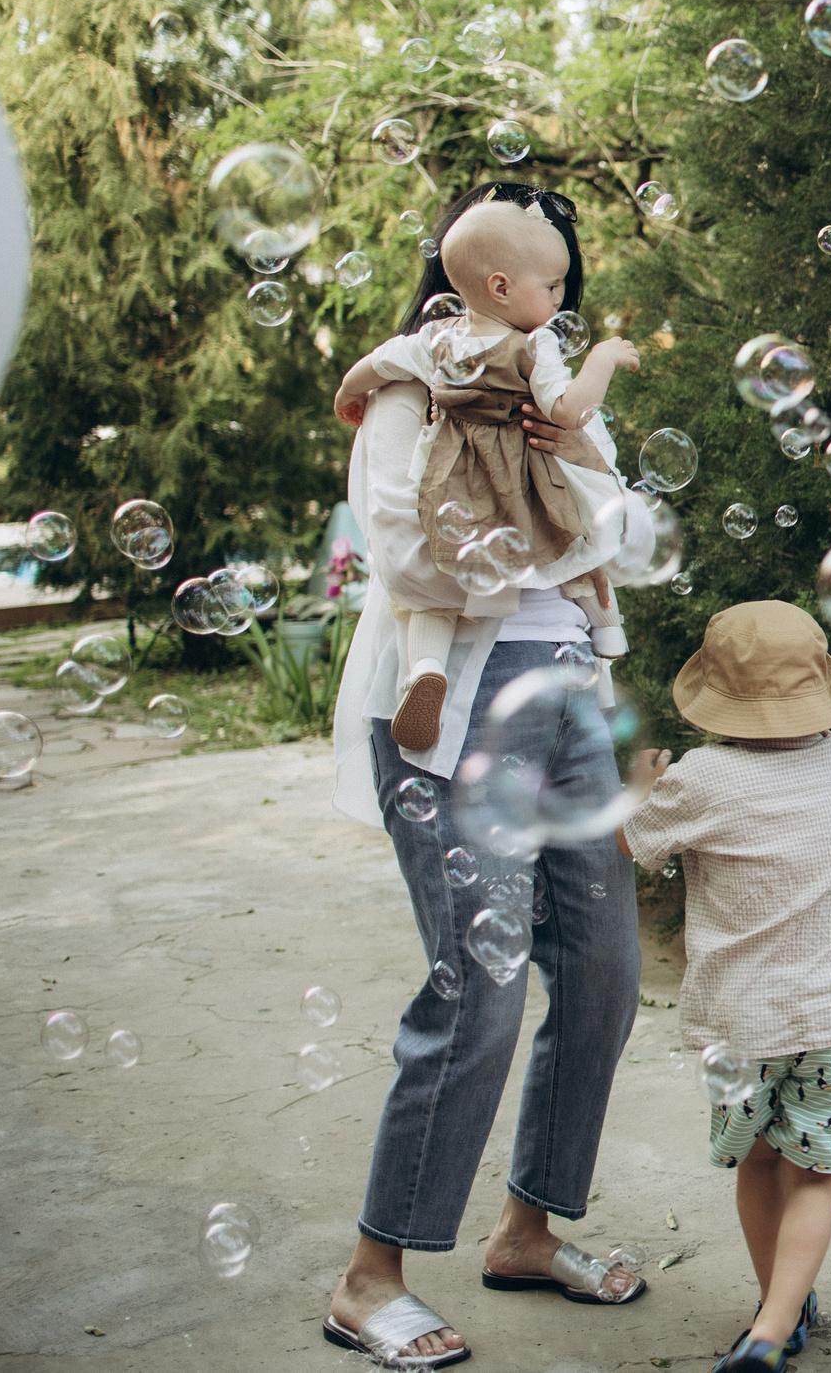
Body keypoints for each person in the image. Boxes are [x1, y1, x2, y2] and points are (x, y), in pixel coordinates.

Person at [323, 183, 653, 1370]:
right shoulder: (407, 387)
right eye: (538, 271)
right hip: (455, 712)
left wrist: (560, 472)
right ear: (479, 277)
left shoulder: (555, 383)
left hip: (568, 703)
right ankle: (373, 1277)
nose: (553, 297)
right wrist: (537, 506)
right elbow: (402, 541)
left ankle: (526, 1229)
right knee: (480, 988)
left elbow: (629, 525)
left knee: (606, 975)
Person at [617, 601, 831, 1373]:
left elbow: (631, 845)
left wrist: (638, 787)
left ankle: (776, 1315)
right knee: (815, 1176)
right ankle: (776, 1321)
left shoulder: (701, 778)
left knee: (762, 1162)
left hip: (742, 1026)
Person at [334, 195, 642, 751]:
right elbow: (406, 563)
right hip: (475, 688)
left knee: (587, 844)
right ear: (497, 284)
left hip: (572, 670)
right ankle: (426, 670)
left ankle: (429, 664)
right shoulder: (421, 386)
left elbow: (629, 537)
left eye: (559, 288)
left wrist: (345, 390)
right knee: (431, 596)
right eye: (547, 286)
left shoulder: (448, 353)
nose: (555, 302)